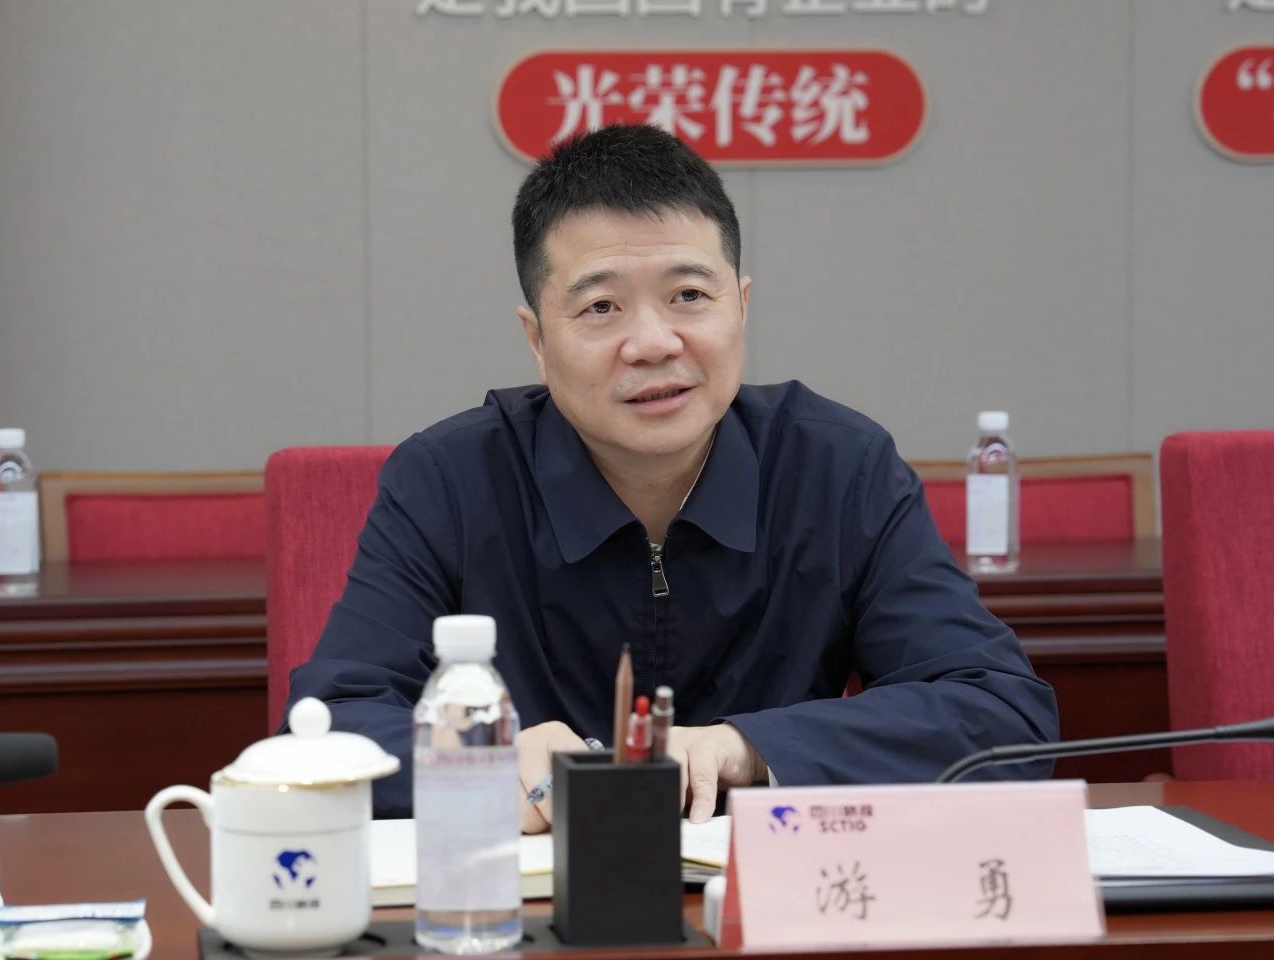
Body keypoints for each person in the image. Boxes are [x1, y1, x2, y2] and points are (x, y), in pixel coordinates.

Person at [286, 123, 1059, 827]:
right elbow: (332, 723)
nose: (654, 343)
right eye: (601, 308)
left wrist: (747, 747)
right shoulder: (449, 481)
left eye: (689, 295)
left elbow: (998, 711)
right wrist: (482, 767)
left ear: (741, 307)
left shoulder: (838, 468)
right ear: (537, 340)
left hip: (766, 899)